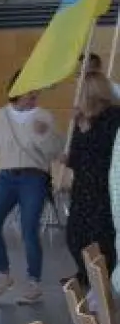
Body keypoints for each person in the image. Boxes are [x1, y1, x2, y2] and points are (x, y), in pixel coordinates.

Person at [0, 75, 60, 304]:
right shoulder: (0, 115)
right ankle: (3, 273)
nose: (33, 94)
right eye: (29, 89)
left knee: (29, 229)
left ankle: (34, 282)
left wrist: (44, 134)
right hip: (6, 177)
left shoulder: (44, 116)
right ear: (16, 89)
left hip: (34, 177)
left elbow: (55, 151)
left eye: (36, 90)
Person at [65, 71, 120, 288]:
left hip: (104, 187)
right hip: (83, 188)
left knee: (102, 236)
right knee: (75, 235)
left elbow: (103, 151)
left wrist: (87, 132)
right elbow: (76, 158)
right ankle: (87, 274)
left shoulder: (114, 117)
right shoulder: (82, 120)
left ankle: (102, 280)